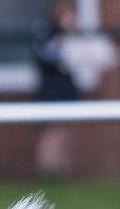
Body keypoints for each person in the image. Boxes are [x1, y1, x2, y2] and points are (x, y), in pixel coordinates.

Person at [32, 0, 80, 177]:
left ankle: (63, 172)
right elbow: (46, 56)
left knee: (66, 130)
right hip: (52, 89)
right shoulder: (44, 28)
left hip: (66, 88)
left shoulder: (69, 32)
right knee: (51, 131)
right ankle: (48, 172)